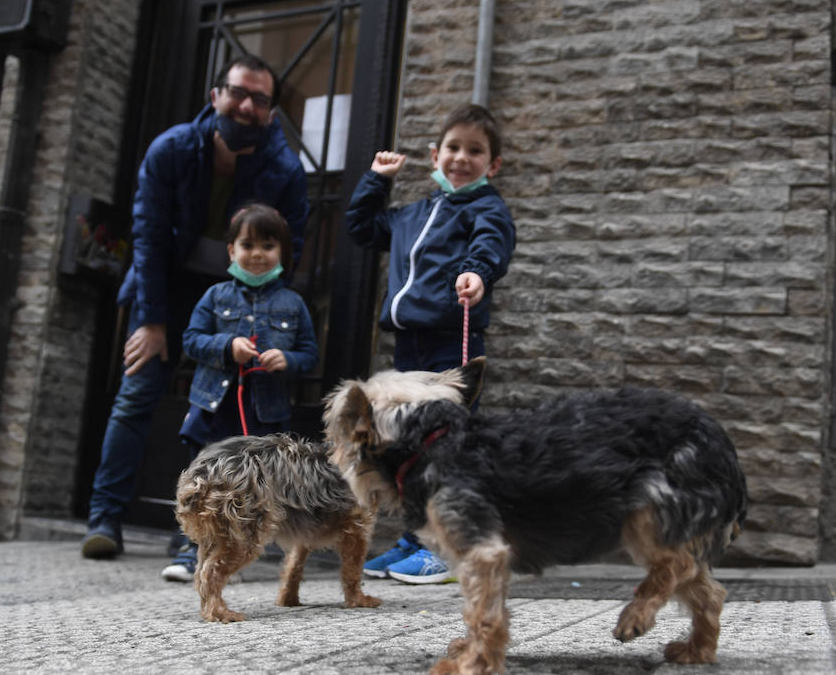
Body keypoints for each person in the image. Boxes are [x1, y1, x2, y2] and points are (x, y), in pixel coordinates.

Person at [80, 56, 310, 560]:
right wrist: (153, 321)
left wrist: (265, 320)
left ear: (271, 112)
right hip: (166, 287)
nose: (247, 106)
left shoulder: (286, 170)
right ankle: (105, 518)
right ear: (216, 96)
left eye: (261, 99)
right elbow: (149, 238)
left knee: (226, 413)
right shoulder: (172, 149)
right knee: (137, 393)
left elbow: (289, 252)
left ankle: (201, 532)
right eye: (238, 93)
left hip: (239, 298)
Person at [342, 103, 516, 584]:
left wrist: (475, 274)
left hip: (450, 341)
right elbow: (361, 228)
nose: (462, 158)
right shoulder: (411, 215)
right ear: (435, 155)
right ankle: (413, 538)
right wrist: (376, 180)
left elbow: (490, 245)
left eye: (475, 151)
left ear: (492, 165)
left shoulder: (486, 208)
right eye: (454, 148)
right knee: (407, 447)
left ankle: (446, 544)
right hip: (409, 347)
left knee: (447, 446)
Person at [163, 204, 319, 580]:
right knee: (203, 482)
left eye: (268, 245)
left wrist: (290, 360)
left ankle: (237, 551)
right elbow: (190, 340)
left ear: (282, 253)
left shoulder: (294, 303)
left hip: (264, 411)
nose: (257, 254)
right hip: (214, 408)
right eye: (247, 244)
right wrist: (226, 346)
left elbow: (310, 354)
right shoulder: (215, 296)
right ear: (231, 250)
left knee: (254, 487)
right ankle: (192, 551)